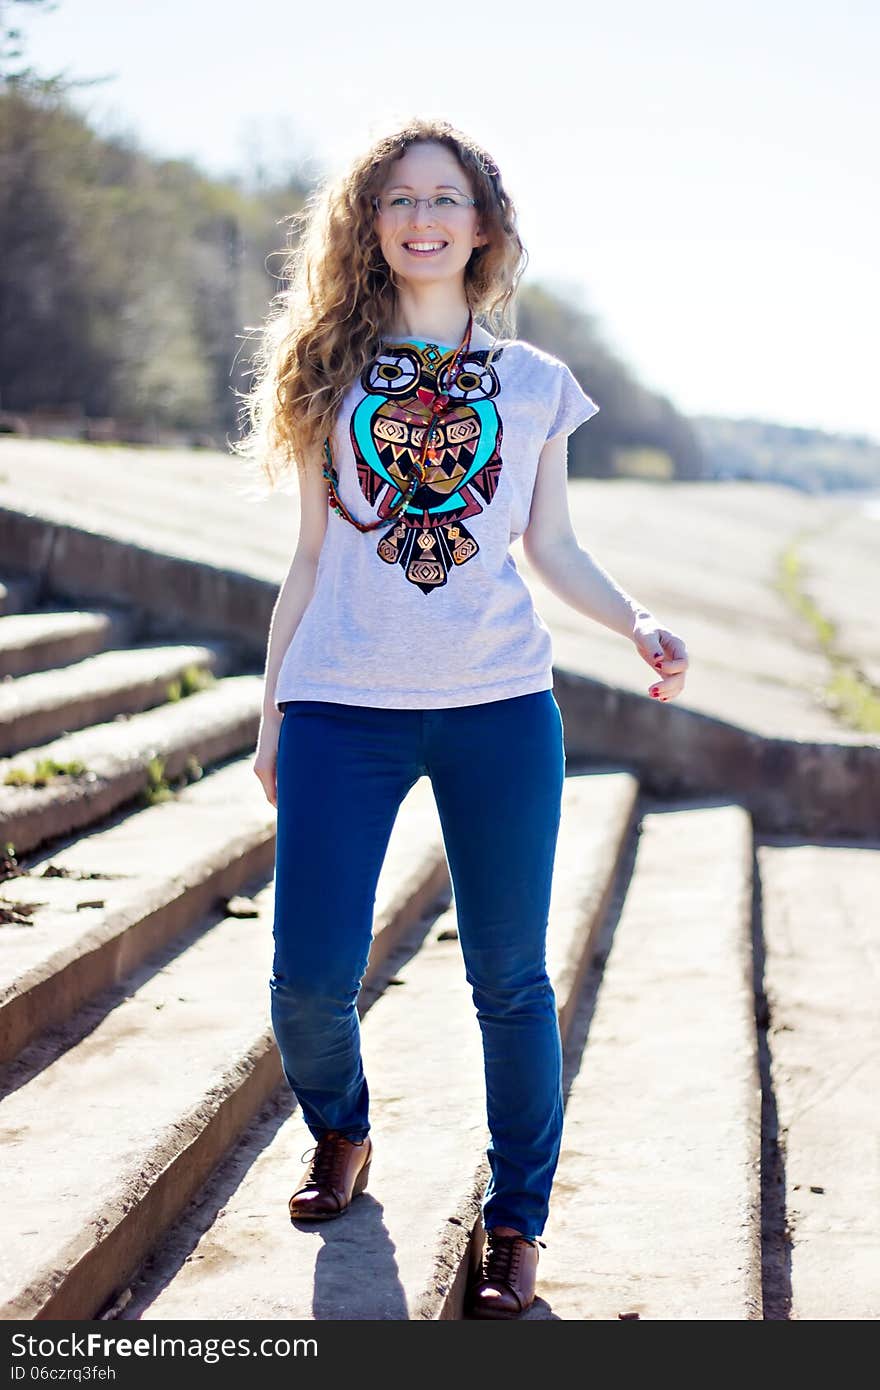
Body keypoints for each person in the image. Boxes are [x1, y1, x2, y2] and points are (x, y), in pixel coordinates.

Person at [235, 116, 689, 1320]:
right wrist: (271, 709)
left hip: (496, 709)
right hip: (342, 704)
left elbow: (551, 545)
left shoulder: (535, 384)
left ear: (481, 225)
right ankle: (341, 1130)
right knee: (306, 974)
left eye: (445, 199)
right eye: (398, 201)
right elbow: (308, 559)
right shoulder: (326, 371)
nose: (422, 218)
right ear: (370, 228)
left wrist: (635, 620)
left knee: (509, 980)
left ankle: (514, 1222)